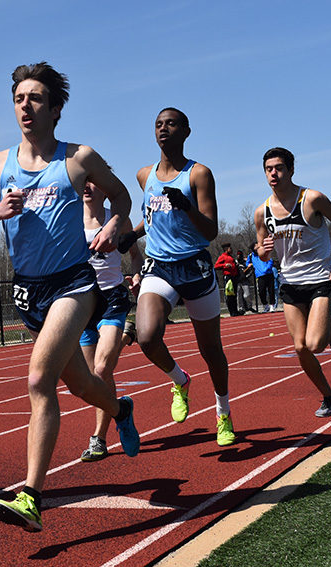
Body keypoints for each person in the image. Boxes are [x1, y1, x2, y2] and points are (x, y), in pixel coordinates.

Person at [0, 62, 140, 531]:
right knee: (80, 385)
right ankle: (120, 408)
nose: (26, 105)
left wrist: (114, 224)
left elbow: (122, 198)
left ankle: (31, 495)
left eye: (36, 98)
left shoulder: (77, 158)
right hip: (28, 291)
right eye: (19, 98)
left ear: (55, 109)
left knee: (40, 379)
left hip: (75, 284)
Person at [119, 107, 235, 447]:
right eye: (158, 124)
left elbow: (210, 230)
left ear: (186, 131)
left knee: (211, 349)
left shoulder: (199, 174)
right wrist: (134, 234)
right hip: (160, 266)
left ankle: (223, 412)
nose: (163, 129)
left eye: (171, 124)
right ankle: (179, 380)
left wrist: (186, 205)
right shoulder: (144, 175)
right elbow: (154, 214)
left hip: (195, 266)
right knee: (147, 336)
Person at [254, 147, 331, 418]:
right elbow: (261, 250)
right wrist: (265, 250)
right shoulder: (262, 212)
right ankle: (327, 395)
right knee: (300, 347)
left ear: (291, 170)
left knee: (316, 344)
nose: (273, 173)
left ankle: (328, 324)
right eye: (268, 169)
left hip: (319, 278)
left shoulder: (312, 199)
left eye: (279, 168)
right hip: (289, 283)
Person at [78, 180, 144, 462]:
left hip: (112, 298)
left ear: (106, 187)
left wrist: (138, 274)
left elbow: (135, 254)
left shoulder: (118, 219)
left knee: (102, 368)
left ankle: (99, 438)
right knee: (92, 380)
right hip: (81, 303)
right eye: (83, 180)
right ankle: (122, 410)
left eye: (94, 181)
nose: (87, 186)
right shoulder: (69, 217)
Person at [214, 243, 240, 317]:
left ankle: (235, 310)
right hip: (228, 277)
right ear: (226, 249)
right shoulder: (223, 257)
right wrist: (224, 265)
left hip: (234, 277)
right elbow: (216, 265)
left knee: (234, 294)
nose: (231, 249)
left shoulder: (230, 257)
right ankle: (232, 311)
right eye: (230, 248)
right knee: (229, 294)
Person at [248, 243, 275, 312]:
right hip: (260, 276)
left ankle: (272, 305)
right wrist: (249, 264)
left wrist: (267, 268)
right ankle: (266, 306)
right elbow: (247, 263)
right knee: (261, 291)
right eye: (256, 247)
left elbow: (270, 261)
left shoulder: (264, 252)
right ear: (253, 249)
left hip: (268, 274)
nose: (258, 248)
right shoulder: (251, 256)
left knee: (271, 291)